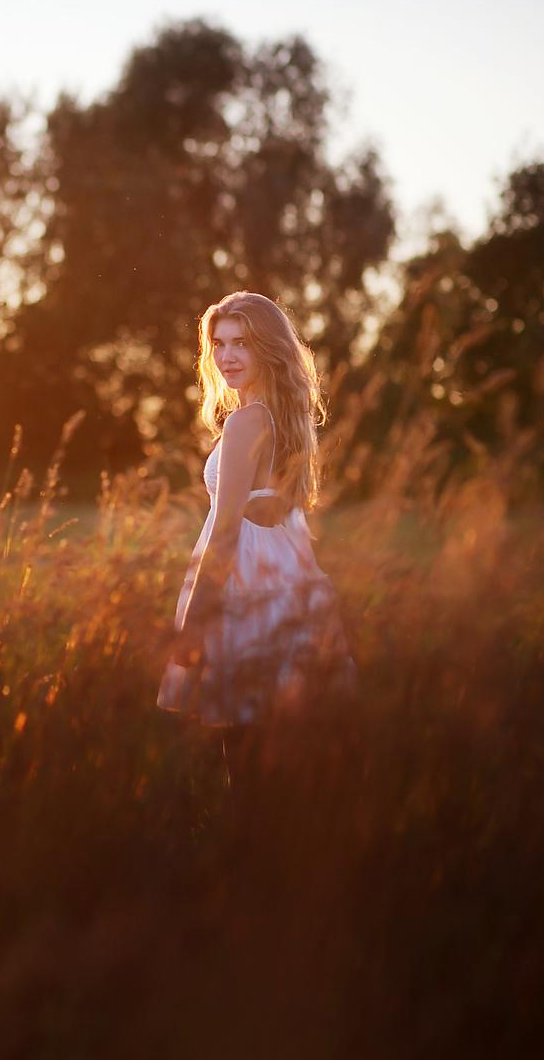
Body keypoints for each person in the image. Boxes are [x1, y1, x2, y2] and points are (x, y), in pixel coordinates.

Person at [156, 291, 356, 808]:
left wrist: (195, 621)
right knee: (276, 748)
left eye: (242, 342)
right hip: (283, 578)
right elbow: (274, 512)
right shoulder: (280, 417)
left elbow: (224, 529)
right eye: (219, 344)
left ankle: (250, 862)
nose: (227, 356)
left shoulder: (248, 421)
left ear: (267, 347)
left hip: (246, 586)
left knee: (246, 752)